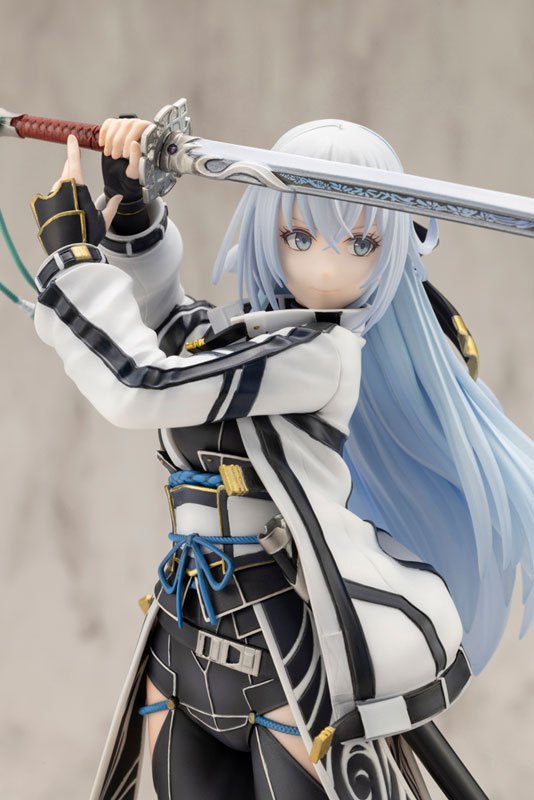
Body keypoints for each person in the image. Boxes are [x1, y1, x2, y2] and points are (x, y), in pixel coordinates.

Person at [30, 117, 533, 800]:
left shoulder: (319, 355)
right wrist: (135, 221)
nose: (325, 264)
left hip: (285, 657)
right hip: (185, 633)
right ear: (266, 230)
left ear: (390, 255)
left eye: (360, 243)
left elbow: (143, 384)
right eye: (299, 235)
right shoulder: (253, 339)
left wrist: (73, 263)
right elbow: (173, 334)